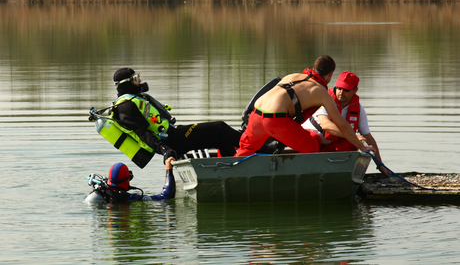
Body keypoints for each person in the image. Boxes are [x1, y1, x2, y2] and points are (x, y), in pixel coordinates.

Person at [95, 67, 242, 167]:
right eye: (135, 79)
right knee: (219, 128)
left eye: (138, 78)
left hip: (173, 137)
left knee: (220, 138)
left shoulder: (133, 99)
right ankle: (261, 148)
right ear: (126, 84)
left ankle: (235, 166)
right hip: (171, 142)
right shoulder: (125, 106)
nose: (138, 82)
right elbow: (142, 134)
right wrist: (165, 150)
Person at [235, 55, 375, 157]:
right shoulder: (322, 92)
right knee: (311, 146)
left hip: (256, 115)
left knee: (244, 149)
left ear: (314, 67)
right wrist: (361, 147)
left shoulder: (291, 76)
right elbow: (344, 127)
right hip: (275, 120)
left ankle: (229, 175)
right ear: (330, 74)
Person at [302, 71, 388, 175]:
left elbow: (368, 138)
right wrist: (353, 136)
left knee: (352, 144)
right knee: (313, 139)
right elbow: (326, 125)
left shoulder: (359, 110)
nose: (341, 92)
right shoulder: (324, 99)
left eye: (346, 90)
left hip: (329, 145)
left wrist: (380, 165)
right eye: (339, 88)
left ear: (355, 90)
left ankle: (337, 174)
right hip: (313, 140)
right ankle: (309, 172)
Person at [85, 157, 176, 204]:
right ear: (126, 180)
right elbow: (165, 196)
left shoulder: (103, 191)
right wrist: (169, 168)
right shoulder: (127, 198)